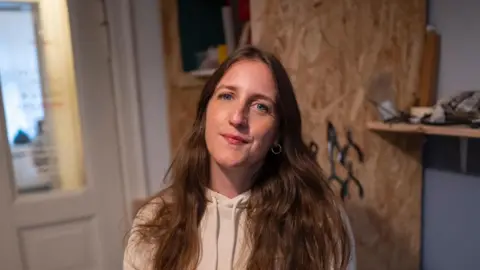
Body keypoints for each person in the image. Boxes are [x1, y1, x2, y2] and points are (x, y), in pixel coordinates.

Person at [123, 45, 356, 270]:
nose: (237, 117)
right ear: (205, 114)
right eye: (227, 96)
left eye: (260, 107)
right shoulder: (154, 221)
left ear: (277, 134)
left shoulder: (320, 223)